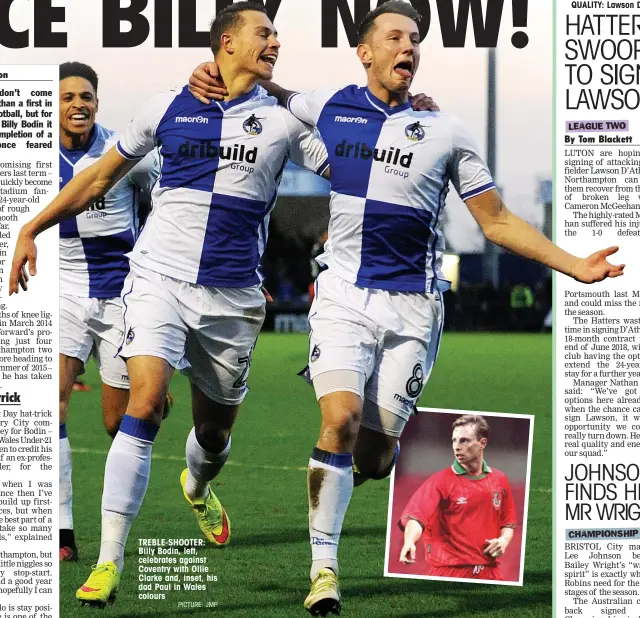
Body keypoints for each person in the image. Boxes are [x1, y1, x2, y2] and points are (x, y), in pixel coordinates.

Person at [189, 1, 624, 614]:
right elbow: (268, 88)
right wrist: (211, 73)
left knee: (376, 454)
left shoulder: (446, 131)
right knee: (336, 422)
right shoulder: (331, 104)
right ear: (365, 52)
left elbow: (494, 220)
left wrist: (574, 265)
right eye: (395, 37)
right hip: (342, 294)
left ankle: (349, 476)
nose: (409, 47)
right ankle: (325, 573)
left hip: (414, 309)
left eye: (416, 38)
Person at [10, 2, 329, 608]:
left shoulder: (283, 123)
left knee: (211, 433)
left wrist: (398, 122)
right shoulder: (164, 108)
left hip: (234, 299)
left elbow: (350, 168)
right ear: (227, 42)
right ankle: (107, 562)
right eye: (264, 34)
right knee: (146, 402)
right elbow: (98, 178)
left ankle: (198, 485)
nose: (276, 42)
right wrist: (32, 227)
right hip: (156, 280)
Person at [55, 62, 161, 563]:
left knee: (119, 423)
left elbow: (178, 197)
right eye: (67, 97)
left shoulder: (127, 153)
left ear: (97, 102)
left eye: (86, 97)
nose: (78, 104)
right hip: (62, 293)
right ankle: (61, 532)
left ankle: (155, 404)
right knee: (47, 407)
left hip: (122, 293)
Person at [398, 415, 517, 581]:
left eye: (464, 441)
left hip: (491, 572)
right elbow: (416, 518)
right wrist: (409, 541)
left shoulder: (499, 479)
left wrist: (504, 540)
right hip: (448, 573)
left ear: (482, 443)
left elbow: (507, 523)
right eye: (454, 440)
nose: (457, 447)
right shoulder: (439, 481)